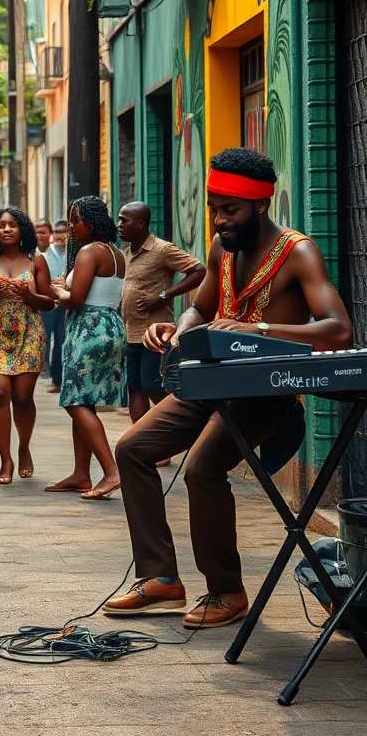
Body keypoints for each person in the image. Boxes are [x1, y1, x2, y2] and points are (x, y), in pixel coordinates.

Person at [105, 148, 354, 629]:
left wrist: (260, 330)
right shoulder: (222, 248)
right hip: (211, 381)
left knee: (201, 469)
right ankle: (160, 580)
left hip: (268, 392)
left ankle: (226, 591)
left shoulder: (298, 252)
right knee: (133, 448)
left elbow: (338, 330)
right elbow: (200, 309)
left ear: (261, 204)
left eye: (230, 210)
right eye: (213, 208)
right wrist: (176, 329)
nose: (219, 220)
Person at [0, 208, 54, 484]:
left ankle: (24, 447)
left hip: (28, 331)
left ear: (22, 230)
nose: (6, 229)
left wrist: (29, 295)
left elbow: (49, 303)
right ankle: (5, 460)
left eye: (13, 225)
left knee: (23, 398)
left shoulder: (36, 261)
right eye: (2, 225)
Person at [48, 196, 127, 500]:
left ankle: (111, 472)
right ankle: (82, 474)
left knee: (74, 400)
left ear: (90, 222)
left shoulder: (89, 251)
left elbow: (76, 298)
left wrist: (57, 289)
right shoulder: (115, 252)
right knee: (85, 400)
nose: (70, 227)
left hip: (89, 328)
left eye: (75, 221)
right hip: (109, 325)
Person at [117, 201, 205, 424]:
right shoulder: (125, 254)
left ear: (141, 223)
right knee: (135, 389)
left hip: (155, 333)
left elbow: (198, 270)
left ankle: (185, 423)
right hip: (130, 332)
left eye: (124, 220)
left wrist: (164, 295)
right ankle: (142, 445)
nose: (119, 225)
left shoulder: (162, 249)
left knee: (153, 386)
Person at [38, 220, 68, 394]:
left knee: (61, 341)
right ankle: (45, 371)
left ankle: (59, 379)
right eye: (57, 232)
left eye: (63, 232)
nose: (60, 235)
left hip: (66, 303)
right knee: (45, 339)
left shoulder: (73, 252)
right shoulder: (46, 253)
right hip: (49, 302)